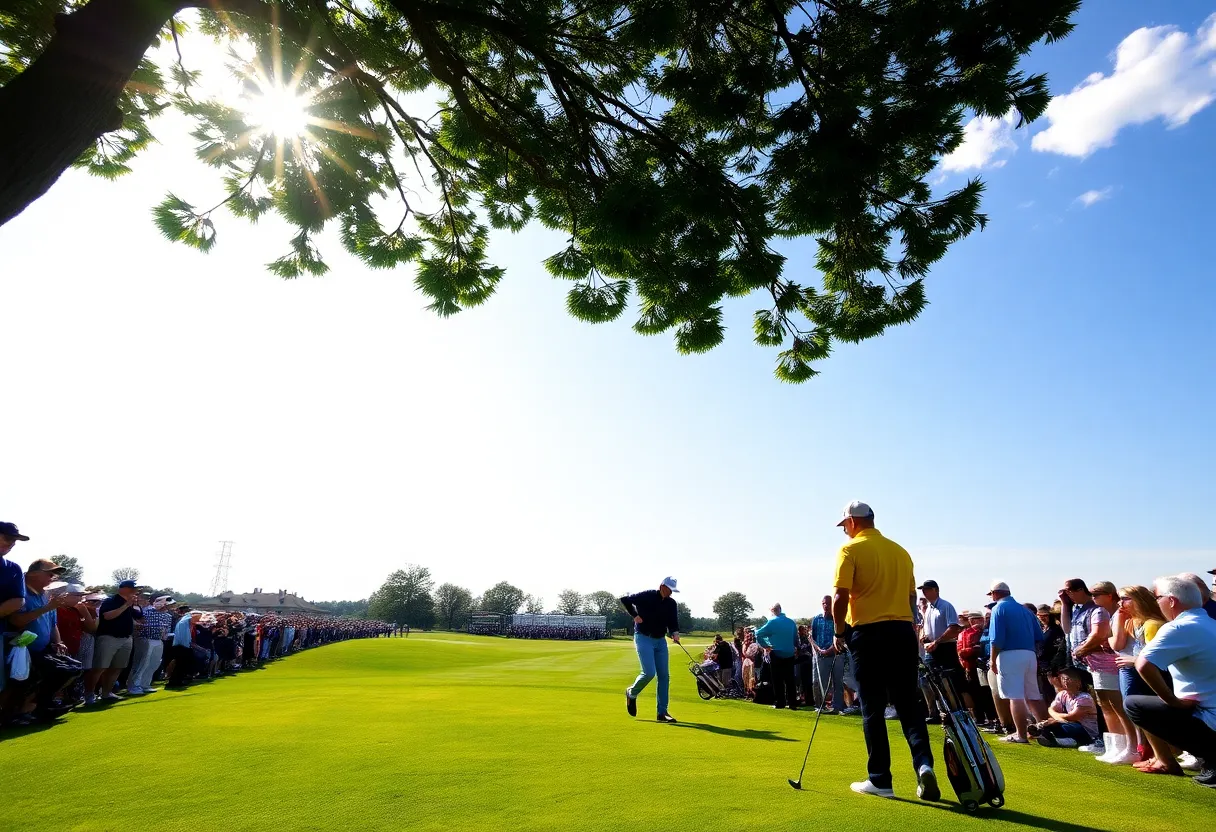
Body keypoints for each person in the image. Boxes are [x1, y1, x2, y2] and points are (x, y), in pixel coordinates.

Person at [831, 501, 937, 801]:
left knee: (873, 708)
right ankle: (924, 766)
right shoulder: (900, 551)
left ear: (852, 522)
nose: (844, 532)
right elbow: (910, 597)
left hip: (868, 634)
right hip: (902, 632)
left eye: (844, 526)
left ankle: (880, 779)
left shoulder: (850, 550)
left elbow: (840, 596)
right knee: (908, 706)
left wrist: (840, 631)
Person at [1126, 575, 1216, 788]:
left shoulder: (1178, 627)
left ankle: (1213, 757)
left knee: (1134, 705)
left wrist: (1172, 700)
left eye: (1157, 598)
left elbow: (1143, 664)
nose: (1156, 603)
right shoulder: (1212, 623)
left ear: (1172, 601)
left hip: (1209, 718)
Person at [1110, 585, 1178, 775]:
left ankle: (1165, 759)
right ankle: (1159, 757)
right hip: (1142, 675)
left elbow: (1158, 658)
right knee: (1144, 718)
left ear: (1140, 600)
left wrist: (1133, 660)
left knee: (1148, 717)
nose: (1120, 603)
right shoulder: (1135, 622)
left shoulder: (1152, 624)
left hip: (1154, 677)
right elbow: (1117, 643)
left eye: (1126, 598)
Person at [986, 581, 1047, 744]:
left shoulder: (998, 608)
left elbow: (996, 639)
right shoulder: (1025, 610)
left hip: (1009, 654)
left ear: (995, 593)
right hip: (1029, 654)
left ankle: (1021, 735)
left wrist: (992, 660)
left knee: (1015, 696)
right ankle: (1045, 731)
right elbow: (1038, 636)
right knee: (1033, 695)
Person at [619, 577, 681, 723]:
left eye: (672, 590)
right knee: (648, 673)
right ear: (662, 586)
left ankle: (662, 712)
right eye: (669, 589)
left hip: (660, 640)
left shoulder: (671, 603)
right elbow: (625, 600)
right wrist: (635, 616)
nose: (670, 592)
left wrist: (675, 633)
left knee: (664, 676)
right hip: (643, 637)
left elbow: (673, 621)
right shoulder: (648, 595)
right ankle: (632, 693)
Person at [82, 579, 144, 705]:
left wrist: (136, 604)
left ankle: (106, 693)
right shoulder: (110, 601)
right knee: (100, 667)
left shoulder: (130, 603)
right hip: (109, 637)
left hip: (126, 638)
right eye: (133, 588)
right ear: (124, 588)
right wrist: (126, 605)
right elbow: (107, 616)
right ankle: (89, 695)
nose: (136, 591)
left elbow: (139, 616)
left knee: (117, 667)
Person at [918, 579, 963, 724]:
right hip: (931, 649)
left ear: (935, 590)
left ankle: (954, 713)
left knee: (947, 681)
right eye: (923, 590)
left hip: (945, 648)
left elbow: (954, 629)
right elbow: (926, 628)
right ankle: (937, 713)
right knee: (929, 681)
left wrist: (936, 641)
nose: (924, 592)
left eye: (927, 589)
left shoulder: (945, 606)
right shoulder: (929, 608)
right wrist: (925, 636)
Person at [1031, 667, 1100, 748]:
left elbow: (1073, 717)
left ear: (1078, 683)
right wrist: (1056, 719)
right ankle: (1048, 735)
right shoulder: (1062, 694)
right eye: (1063, 679)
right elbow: (1051, 709)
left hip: (1085, 731)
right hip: (1067, 724)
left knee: (1059, 725)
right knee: (1051, 724)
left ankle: (1055, 739)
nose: (1065, 682)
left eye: (1068, 679)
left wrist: (1056, 719)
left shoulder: (1085, 698)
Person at [0, 523, 30, 699]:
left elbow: (18, 601)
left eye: (14, 541)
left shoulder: (12, 568)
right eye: (8, 538)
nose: (11, 544)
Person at [754, 603, 798, 710]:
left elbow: (758, 634)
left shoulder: (772, 622)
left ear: (773, 611)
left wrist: (766, 646)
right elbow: (795, 638)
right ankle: (792, 703)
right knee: (790, 680)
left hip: (777, 652)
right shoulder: (791, 622)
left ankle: (780, 703)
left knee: (777, 680)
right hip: (789, 653)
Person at [129, 595, 174, 695]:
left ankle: (145, 684)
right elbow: (139, 624)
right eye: (167, 605)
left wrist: (166, 635)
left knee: (154, 664)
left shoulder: (168, 616)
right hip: (145, 639)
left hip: (159, 641)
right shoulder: (146, 612)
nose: (169, 607)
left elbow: (166, 631)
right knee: (141, 663)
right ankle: (134, 686)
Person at [810, 595, 845, 714]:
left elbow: (840, 637)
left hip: (836, 654)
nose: (826, 606)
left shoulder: (837, 619)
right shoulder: (816, 619)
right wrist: (818, 649)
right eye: (824, 603)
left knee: (837, 682)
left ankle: (838, 707)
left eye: (828, 604)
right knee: (818, 682)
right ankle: (820, 705)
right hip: (820, 655)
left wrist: (830, 649)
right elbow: (812, 637)